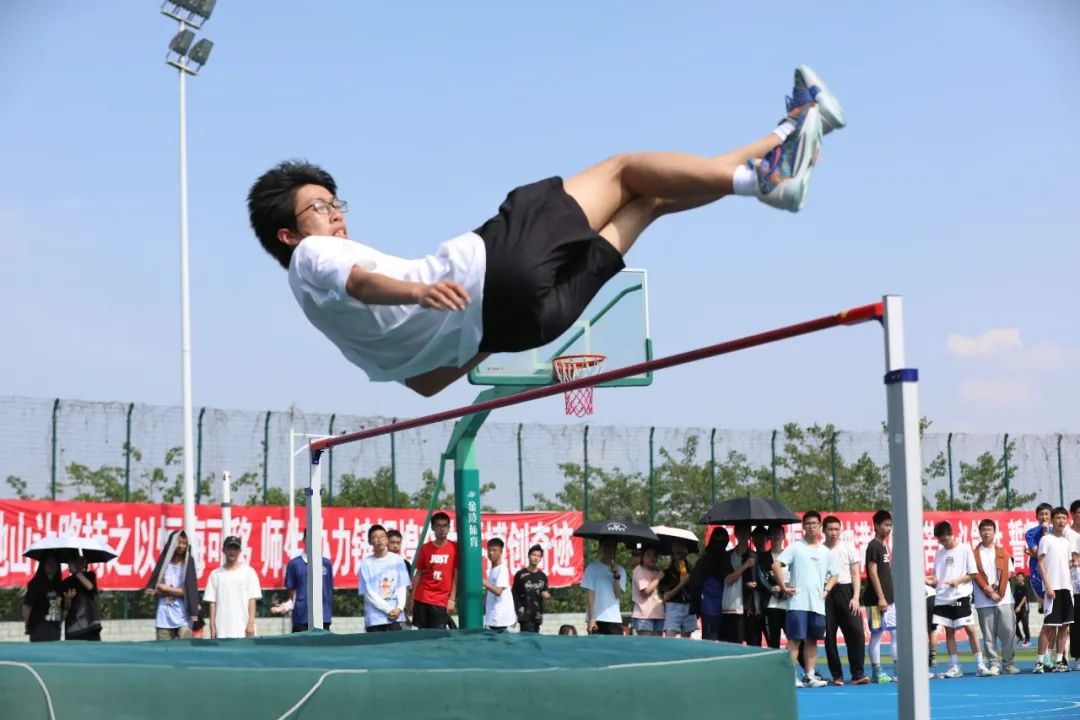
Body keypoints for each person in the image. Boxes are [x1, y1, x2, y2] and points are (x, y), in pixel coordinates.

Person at [247, 67, 843, 396]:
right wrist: (419, 291)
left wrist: (478, 333)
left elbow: (425, 386)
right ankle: (762, 180)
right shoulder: (313, 258)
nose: (336, 215)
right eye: (321, 207)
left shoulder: (340, 335)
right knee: (623, 169)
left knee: (652, 200)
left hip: (526, 326)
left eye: (335, 203)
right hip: (494, 267)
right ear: (288, 235)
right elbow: (360, 280)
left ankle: (787, 134)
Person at [772, 511, 836, 689]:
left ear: (819, 526)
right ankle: (789, 675)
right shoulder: (795, 547)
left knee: (812, 640)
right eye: (808, 523)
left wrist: (827, 589)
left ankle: (809, 675)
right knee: (795, 639)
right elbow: (776, 564)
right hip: (798, 602)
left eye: (814, 523)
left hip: (817, 604)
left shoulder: (825, 552)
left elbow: (835, 574)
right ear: (803, 527)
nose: (811, 526)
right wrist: (784, 586)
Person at [927, 521, 989, 678]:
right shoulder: (939, 553)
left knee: (970, 629)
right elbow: (937, 574)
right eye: (940, 541)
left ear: (951, 534)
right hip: (942, 597)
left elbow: (973, 573)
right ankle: (955, 666)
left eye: (945, 540)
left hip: (960, 594)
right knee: (949, 631)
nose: (943, 543)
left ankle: (980, 664)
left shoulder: (964, 549)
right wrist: (932, 580)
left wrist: (957, 581)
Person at [821, 516, 868, 685]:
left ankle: (858, 673)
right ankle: (837, 675)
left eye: (836, 529)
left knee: (856, 632)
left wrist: (856, 597)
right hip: (826, 594)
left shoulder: (848, 547)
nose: (833, 533)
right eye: (830, 529)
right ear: (823, 530)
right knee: (829, 636)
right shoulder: (819, 549)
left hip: (846, 591)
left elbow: (856, 574)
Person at [972, 518, 1019, 675]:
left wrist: (999, 590)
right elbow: (974, 574)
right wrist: (988, 590)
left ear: (994, 532)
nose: (986, 533)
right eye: (983, 530)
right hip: (983, 601)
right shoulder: (973, 554)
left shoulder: (1003, 553)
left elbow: (1009, 573)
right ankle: (994, 663)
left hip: (1004, 599)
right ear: (979, 532)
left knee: (1008, 631)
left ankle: (1008, 663)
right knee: (988, 635)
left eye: (989, 530)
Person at [1034, 506, 1075, 673]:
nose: (1061, 521)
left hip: (1066, 588)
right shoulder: (1046, 540)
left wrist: (1075, 562)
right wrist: (1048, 585)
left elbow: (1065, 565)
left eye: (1064, 518)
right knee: (1049, 626)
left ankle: (1059, 661)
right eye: (1058, 518)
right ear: (1052, 520)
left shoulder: (1065, 542)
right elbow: (1040, 563)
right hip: (1053, 588)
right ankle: (1039, 662)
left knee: (1065, 626)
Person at [204, 535, 263, 639]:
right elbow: (212, 602)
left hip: (243, 628)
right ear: (223, 550)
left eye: (235, 548)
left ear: (240, 551)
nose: (232, 552)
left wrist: (251, 623)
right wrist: (212, 626)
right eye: (229, 548)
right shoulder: (216, 574)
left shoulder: (249, 572)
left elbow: (252, 600)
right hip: (222, 629)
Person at [862, 510, 897, 683]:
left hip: (890, 599)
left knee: (895, 633)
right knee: (877, 634)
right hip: (876, 601)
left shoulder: (884, 546)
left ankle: (898, 669)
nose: (888, 528)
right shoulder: (873, 546)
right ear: (876, 525)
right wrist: (881, 597)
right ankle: (876, 670)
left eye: (890, 525)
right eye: (885, 525)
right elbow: (873, 573)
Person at [145, 529, 199, 641]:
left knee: (184, 650)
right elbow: (153, 588)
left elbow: (190, 592)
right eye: (179, 543)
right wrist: (171, 590)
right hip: (164, 616)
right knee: (163, 653)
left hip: (183, 617)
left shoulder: (188, 563)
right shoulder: (164, 563)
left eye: (184, 543)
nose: (181, 546)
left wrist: (166, 589)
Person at [409, 511, 458, 629]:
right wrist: (412, 598)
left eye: (445, 526)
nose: (442, 529)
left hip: (441, 600)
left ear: (449, 527)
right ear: (433, 528)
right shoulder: (425, 548)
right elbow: (419, 574)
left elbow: (456, 574)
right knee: (423, 636)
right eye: (438, 526)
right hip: (422, 597)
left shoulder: (455, 548)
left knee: (439, 637)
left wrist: (452, 599)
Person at [360, 524, 411, 632]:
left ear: (387, 539)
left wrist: (399, 608)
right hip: (374, 619)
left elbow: (402, 586)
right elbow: (368, 593)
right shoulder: (366, 563)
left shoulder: (398, 560)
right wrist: (387, 609)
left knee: (395, 647)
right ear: (370, 542)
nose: (379, 540)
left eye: (382, 536)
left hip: (396, 617)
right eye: (375, 537)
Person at [283, 530, 334, 632]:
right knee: (301, 648)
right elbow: (291, 591)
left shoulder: (326, 564)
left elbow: (329, 589)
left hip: (323, 617)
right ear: (304, 540)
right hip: (301, 617)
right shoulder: (294, 564)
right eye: (309, 538)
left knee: (322, 648)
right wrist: (288, 606)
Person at [691, 527, 733, 642]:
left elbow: (695, 584)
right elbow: (695, 584)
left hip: (716, 609)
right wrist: (696, 607)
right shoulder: (729, 559)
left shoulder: (704, 560)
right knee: (723, 644)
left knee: (711, 643)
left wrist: (695, 608)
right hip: (721, 609)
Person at [582, 538, 627, 635]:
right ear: (600, 548)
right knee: (596, 650)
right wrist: (591, 618)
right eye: (606, 545)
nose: (609, 549)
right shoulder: (591, 568)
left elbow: (617, 595)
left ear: (615, 549)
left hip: (614, 618)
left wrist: (616, 576)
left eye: (611, 546)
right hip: (596, 619)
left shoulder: (621, 570)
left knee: (615, 650)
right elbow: (590, 594)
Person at [721, 524, 754, 644]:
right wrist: (745, 565)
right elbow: (729, 580)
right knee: (734, 643)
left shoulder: (754, 556)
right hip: (733, 606)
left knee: (752, 643)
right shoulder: (727, 556)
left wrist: (755, 584)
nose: (744, 535)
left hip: (750, 607)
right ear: (736, 534)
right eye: (741, 532)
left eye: (746, 532)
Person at [659, 540, 697, 638]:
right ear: (674, 554)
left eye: (684, 554)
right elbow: (666, 596)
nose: (681, 556)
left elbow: (696, 591)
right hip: (673, 607)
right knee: (670, 638)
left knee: (686, 641)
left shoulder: (691, 570)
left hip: (688, 606)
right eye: (678, 553)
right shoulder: (667, 572)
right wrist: (681, 584)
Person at [23, 555, 63, 642]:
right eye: (49, 563)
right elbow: (27, 606)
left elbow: (64, 607)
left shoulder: (60, 585)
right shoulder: (35, 584)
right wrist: (27, 625)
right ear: (43, 565)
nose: (52, 566)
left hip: (55, 629)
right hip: (38, 629)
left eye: (55, 563)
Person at [512, 544, 551, 633]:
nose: (536, 558)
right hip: (524, 615)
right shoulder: (520, 575)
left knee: (536, 639)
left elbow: (545, 590)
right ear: (529, 556)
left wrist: (546, 594)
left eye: (539, 556)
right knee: (526, 640)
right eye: (534, 555)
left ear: (541, 558)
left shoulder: (542, 576)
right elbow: (514, 594)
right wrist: (515, 611)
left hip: (537, 614)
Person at [62, 556, 102, 641]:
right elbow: (65, 607)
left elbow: (90, 587)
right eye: (77, 560)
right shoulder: (66, 582)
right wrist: (68, 599)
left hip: (91, 626)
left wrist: (76, 572)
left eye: (83, 560)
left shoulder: (90, 575)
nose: (80, 563)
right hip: (73, 628)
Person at [763, 525, 789, 650]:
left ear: (783, 536)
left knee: (796, 641)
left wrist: (784, 588)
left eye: (779, 533)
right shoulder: (763, 558)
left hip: (789, 606)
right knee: (773, 644)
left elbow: (798, 578)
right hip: (771, 607)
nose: (776, 536)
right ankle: (776, 670)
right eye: (773, 534)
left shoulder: (791, 556)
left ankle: (809, 669)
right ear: (768, 537)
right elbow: (761, 580)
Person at [481, 538, 516, 632]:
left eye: (494, 550)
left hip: (500, 620)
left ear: (501, 552)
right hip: (493, 618)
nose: (491, 553)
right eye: (489, 550)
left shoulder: (502, 569)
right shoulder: (492, 570)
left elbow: (498, 591)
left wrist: (483, 582)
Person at [631, 546, 665, 636]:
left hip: (659, 614)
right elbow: (645, 592)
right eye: (649, 555)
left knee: (657, 646)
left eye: (655, 556)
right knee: (646, 645)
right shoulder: (639, 571)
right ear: (642, 557)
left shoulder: (657, 572)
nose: (652, 558)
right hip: (644, 615)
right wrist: (658, 578)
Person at [1025, 503, 1054, 608]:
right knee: (1049, 613)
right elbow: (1040, 555)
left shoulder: (1058, 531)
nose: (1044, 517)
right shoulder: (1031, 533)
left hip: (1056, 573)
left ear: (1051, 516)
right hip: (1039, 575)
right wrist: (1045, 532)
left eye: (1047, 514)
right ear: (1037, 516)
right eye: (1041, 514)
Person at [1065, 499, 1080, 670]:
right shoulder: (1067, 534)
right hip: (1072, 585)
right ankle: (1077, 656)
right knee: (1076, 623)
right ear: (1073, 514)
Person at [1011, 570, 1032, 647]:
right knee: (1013, 623)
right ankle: (1020, 637)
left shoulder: (1025, 587)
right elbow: (1015, 597)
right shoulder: (1016, 587)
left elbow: (1024, 597)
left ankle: (1028, 640)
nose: (1018, 578)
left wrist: (1019, 607)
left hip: (1024, 609)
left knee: (1025, 624)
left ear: (1023, 578)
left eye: (1020, 576)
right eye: (1017, 576)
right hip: (1016, 609)